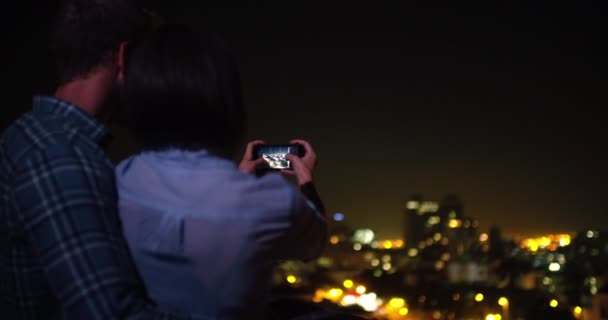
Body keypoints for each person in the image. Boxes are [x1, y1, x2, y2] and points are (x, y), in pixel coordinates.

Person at [116, 24, 328, 319]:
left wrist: (241, 175)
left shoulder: (119, 179)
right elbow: (314, 243)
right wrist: (306, 178)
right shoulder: (270, 202)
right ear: (226, 102)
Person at [0, 1, 193, 319]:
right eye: (149, 67)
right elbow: (109, 313)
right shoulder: (61, 155)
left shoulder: (30, 137)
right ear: (124, 58)